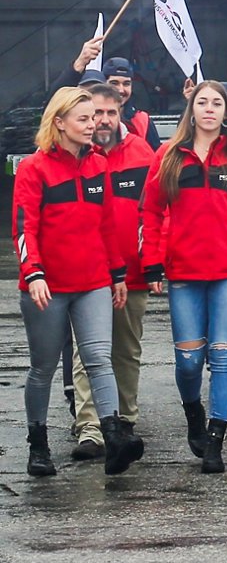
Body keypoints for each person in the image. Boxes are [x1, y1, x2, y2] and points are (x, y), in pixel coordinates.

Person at [141, 81, 227, 474]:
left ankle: (216, 440)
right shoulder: (168, 156)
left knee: (222, 357)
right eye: (202, 102)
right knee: (188, 361)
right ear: (191, 109)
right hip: (183, 271)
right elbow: (150, 212)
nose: (209, 109)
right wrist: (151, 262)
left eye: (216, 103)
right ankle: (194, 416)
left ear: (226, 112)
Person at [12, 87, 143, 477]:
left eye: (94, 118)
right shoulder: (34, 169)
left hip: (93, 283)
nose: (93, 125)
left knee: (99, 359)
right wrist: (32, 273)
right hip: (48, 286)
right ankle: (39, 445)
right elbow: (24, 228)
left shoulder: (98, 165)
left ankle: (114, 439)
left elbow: (106, 227)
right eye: (83, 119)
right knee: (44, 367)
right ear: (59, 123)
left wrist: (117, 273)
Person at [68, 84, 155, 461]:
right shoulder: (74, 155)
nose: (102, 121)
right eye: (94, 114)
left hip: (131, 272)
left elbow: (153, 214)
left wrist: (152, 260)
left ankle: (124, 418)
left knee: (125, 351)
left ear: (121, 111)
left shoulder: (141, 153)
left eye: (109, 113)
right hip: (85, 273)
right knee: (86, 353)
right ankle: (91, 427)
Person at [103, 58, 162, 150]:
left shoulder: (143, 121)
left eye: (126, 84)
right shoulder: (92, 120)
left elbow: (156, 158)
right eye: (114, 83)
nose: (121, 90)